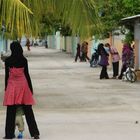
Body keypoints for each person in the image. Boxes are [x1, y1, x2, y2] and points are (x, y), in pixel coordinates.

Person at [3, 41, 40, 139]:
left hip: (12, 87)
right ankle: (35, 133)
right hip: (23, 86)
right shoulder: (24, 60)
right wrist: (30, 88)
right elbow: (27, 75)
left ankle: (9, 134)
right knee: (28, 111)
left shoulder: (8, 61)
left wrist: (6, 88)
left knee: (10, 112)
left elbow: (7, 76)